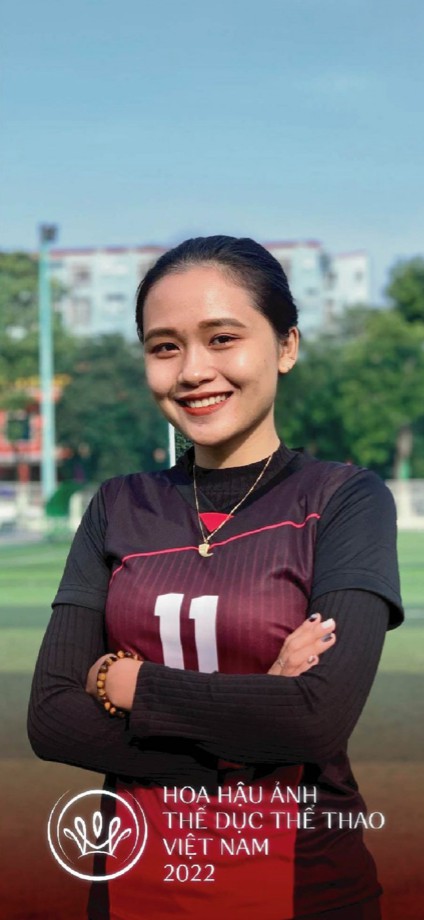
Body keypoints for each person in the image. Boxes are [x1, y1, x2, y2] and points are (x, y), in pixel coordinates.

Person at [28, 235, 403, 920]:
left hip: (308, 893)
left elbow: (315, 719)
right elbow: (52, 718)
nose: (193, 370)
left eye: (222, 338)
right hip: (130, 891)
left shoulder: (344, 499)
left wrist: (126, 683)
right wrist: (253, 728)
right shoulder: (117, 505)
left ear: (286, 346)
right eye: (164, 347)